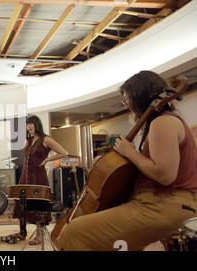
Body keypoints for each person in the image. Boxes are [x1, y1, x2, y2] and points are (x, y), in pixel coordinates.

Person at [56, 71, 197, 251]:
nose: (127, 105)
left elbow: (165, 175)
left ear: (139, 96)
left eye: (127, 99)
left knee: (74, 231)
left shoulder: (163, 123)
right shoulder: (164, 121)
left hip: (163, 205)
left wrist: (130, 152)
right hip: (159, 202)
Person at [10, 115, 68, 245]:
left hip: (38, 177)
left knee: (38, 205)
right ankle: (22, 232)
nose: (29, 126)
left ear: (37, 124)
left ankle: (39, 235)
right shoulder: (29, 140)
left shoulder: (46, 139)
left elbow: (64, 153)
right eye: (27, 124)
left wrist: (48, 159)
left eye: (31, 123)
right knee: (21, 203)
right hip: (25, 177)